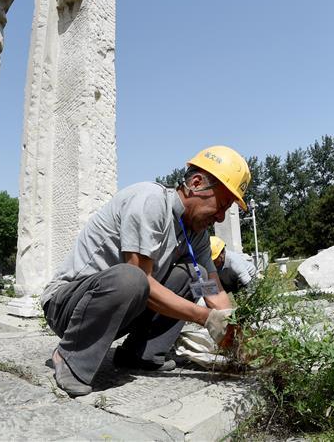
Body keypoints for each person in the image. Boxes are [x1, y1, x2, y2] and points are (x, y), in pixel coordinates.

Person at [40, 145, 252, 396]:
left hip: (119, 310)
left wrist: (238, 333)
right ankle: (72, 357)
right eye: (222, 204)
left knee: (193, 275)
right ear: (196, 183)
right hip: (68, 307)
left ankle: (141, 354)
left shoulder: (196, 236)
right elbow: (141, 280)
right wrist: (204, 318)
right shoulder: (150, 201)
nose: (220, 217)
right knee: (133, 277)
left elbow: (211, 290)